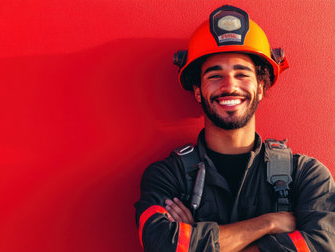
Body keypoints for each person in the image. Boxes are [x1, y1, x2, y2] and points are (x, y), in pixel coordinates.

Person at [134, 5, 334, 252]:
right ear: (197, 91)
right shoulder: (168, 177)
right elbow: (161, 244)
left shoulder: (306, 176)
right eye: (214, 76)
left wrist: (196, 239)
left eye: (241, 74)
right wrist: (269, 223)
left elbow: (325, 244)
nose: (229, 85)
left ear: (260, 87)